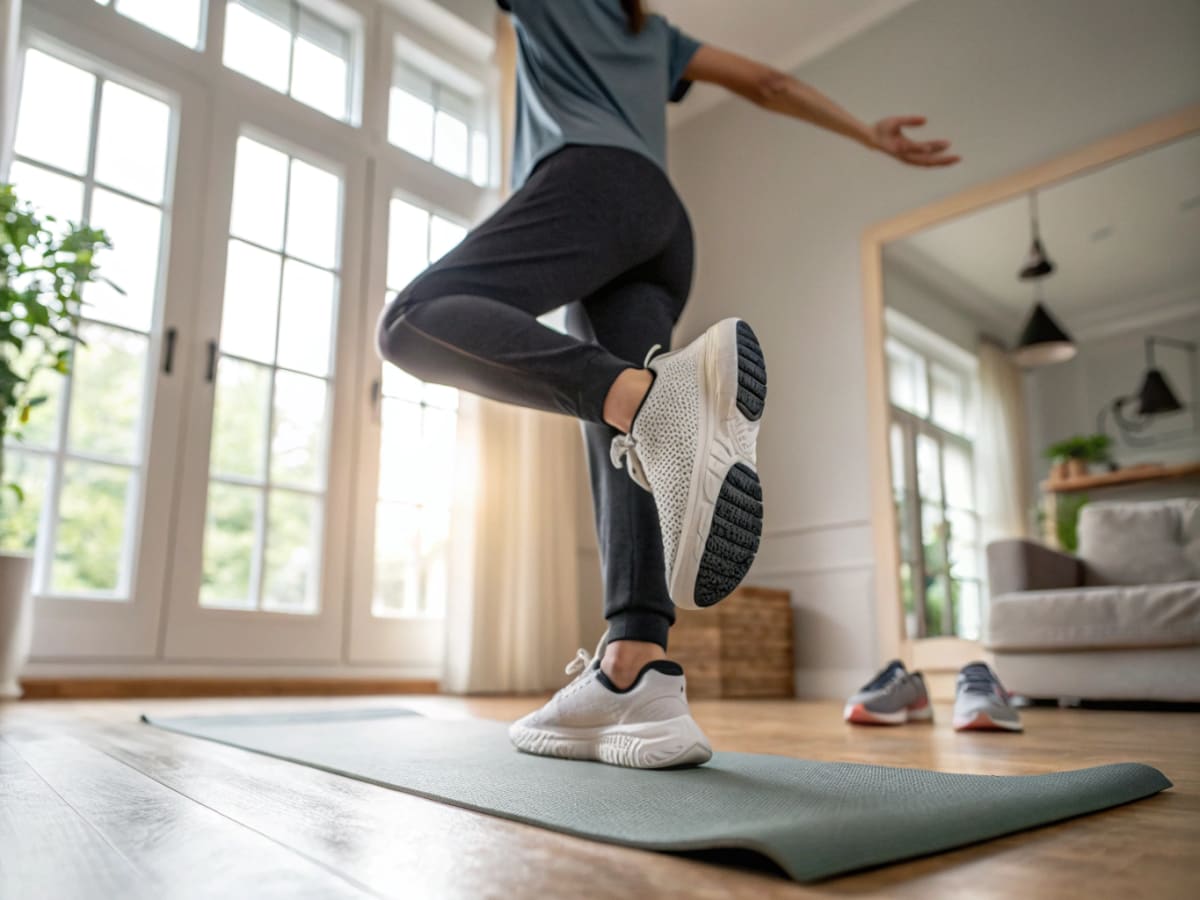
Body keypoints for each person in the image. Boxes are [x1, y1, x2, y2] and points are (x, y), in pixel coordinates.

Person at [377, 0, 959, 769]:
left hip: (587, 184)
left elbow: (769, 79)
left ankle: (654, 402)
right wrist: (865, 132)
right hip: (661, 225)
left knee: (413, 321)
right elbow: (772, 83)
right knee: (624, 430)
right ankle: (637, 672)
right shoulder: (652, 32)